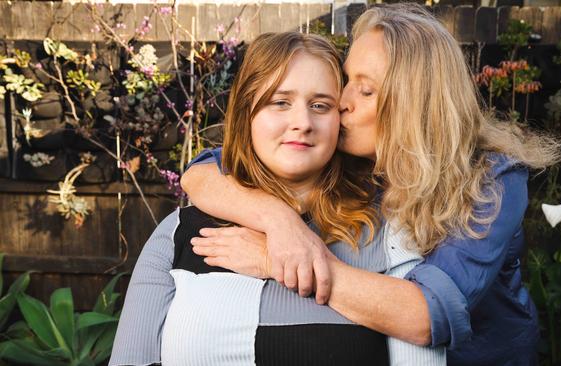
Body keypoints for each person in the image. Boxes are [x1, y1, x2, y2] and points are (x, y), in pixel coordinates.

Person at [181, 4, 561, 365]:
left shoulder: (492, 178)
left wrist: (277, 259)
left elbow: (427, 315)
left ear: (414, 105)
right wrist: (280, 222)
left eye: (365, 90)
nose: (341, 102)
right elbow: (205, 171)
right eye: (347, 80)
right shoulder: (352, 153)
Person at [109, 31, 445, 366]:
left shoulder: (388, 231)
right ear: (247, 113)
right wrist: (278, 221)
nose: (302, 123)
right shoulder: (179, 234)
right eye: (280, 102)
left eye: (320, 105)